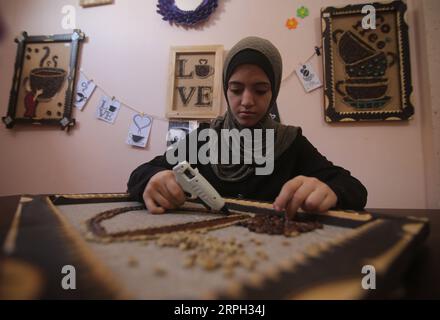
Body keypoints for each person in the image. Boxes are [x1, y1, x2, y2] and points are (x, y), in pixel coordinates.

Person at [127, 36, 367, 218]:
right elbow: (140, 173)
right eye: (236, 89)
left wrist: (330, 190)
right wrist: (154, 179)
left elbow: (354, 188)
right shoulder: (204, 137)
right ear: (225, 89)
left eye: (261, 90)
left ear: (273, 92)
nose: (247, 101)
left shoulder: (290, 142)